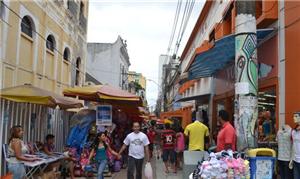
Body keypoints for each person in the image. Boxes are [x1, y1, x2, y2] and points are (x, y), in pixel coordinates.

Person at [290, 112, 300, 179]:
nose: (294, 118)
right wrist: (291, 158)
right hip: (295, 159)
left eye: (296, 116)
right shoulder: (294, 131)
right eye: (294, 116)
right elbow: (293, 145)